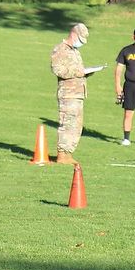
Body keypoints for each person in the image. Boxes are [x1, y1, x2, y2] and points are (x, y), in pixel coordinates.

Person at [50, 23, 92, 165]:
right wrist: (78, 72)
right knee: (67, 122)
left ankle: (68, 152)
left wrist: (86, 73)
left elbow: (77, 71)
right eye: (80, 39)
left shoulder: (75, 51)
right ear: (73, 34)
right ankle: (62, 154)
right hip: (68, 93)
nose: (81, 43)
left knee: (76, 124)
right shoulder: (60, 49)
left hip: (78, 93)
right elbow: (57, 70)